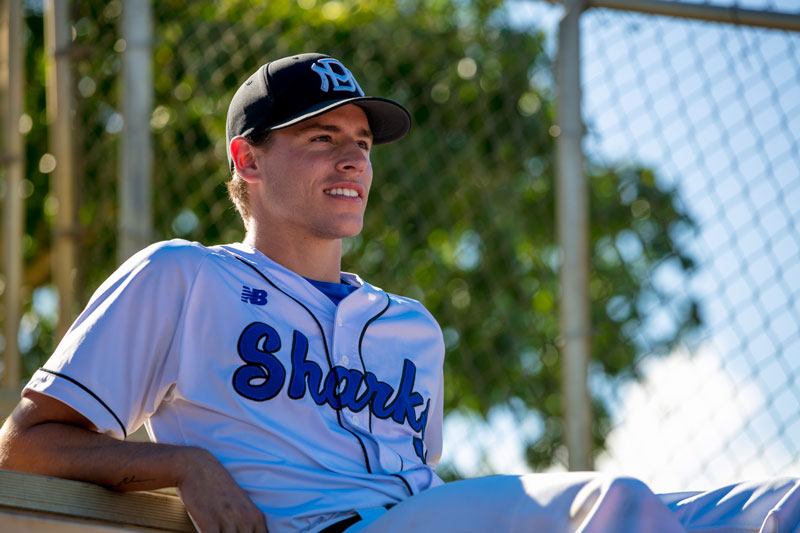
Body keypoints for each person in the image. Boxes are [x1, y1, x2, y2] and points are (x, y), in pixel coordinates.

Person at [0, 52, 798, 533]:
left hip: (418, 515)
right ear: (247, 160)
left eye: (360, 143)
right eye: (321, 139)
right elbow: (27, 441)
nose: (352, 160)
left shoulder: (411, 327)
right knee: (609, 501)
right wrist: (185, 461)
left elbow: (424, 493)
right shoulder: (183, 276)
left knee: (775, 503)